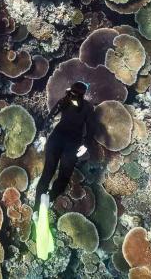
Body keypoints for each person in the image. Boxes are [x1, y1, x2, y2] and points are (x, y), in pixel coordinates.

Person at [33, 81, 94, 214]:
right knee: (60, 176)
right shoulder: (86, 107)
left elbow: (49, 118)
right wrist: (86, 144)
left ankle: (39, 206)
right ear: (84, 94)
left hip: (58, 140)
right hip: (69, 143)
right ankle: (45, 202)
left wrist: (44, 134)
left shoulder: (65, 101)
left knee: (51, 174)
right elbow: (91, 129)